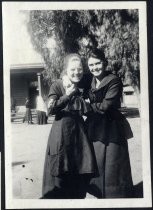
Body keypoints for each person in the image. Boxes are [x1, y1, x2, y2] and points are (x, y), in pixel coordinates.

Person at [42, 53, 98, 199]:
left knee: (80, 175)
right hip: (61, 134)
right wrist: (67, 95)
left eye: (79, 68)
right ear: (65, 70)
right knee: (62, 177)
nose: (76, 72)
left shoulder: (84, 84)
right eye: (72, 69)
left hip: (80, 135)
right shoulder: (58, 85)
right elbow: (50, 109)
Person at [85, 48, 134, 198]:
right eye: (91, 65)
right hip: (94, 127)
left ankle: (117, 195)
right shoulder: (89, 80)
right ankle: (99, 193)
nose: (95, 68)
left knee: (114, 162)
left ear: (104, 63)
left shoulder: (114, 80)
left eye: (97, 63)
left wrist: (86, 106)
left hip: (112, 127)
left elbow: (106, 106)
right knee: (97, 160)